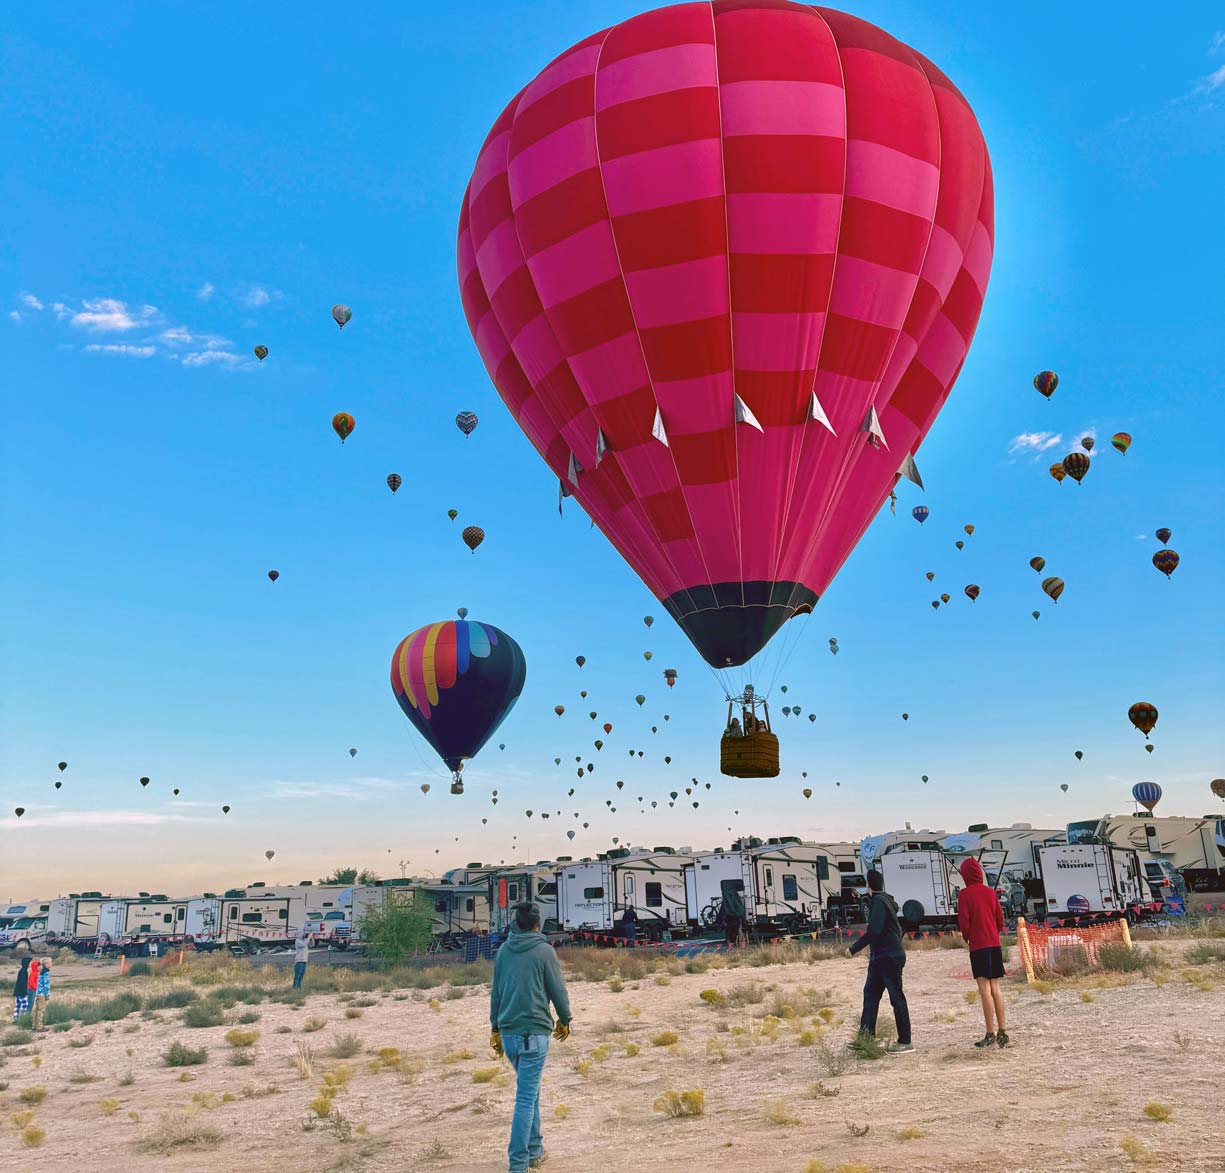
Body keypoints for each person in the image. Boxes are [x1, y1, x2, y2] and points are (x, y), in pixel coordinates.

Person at [489, 902, 571, 1173]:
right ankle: (519, 1163)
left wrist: (495, 1029)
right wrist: (565, 1020)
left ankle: (535, 1151)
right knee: (525, 1098)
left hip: (510, 1033)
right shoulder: (544, 951)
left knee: (530, 1091)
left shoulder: (503, 952)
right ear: (538, 924)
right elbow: (557, 990)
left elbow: (496, 994)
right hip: (534, 1034)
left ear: (515, 923)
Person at [848, 869, 912, 1053]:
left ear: (869, 885)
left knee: (896, 998)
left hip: (888, 957)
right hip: (880, 957)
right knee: (870, 995)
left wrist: (853, 949)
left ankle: (905, 1041)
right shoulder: (881, 901)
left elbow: (874, 931)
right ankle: (865, 1040)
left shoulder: (879, 902)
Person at [958, 857, 1008, 1048]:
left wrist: (968, 937)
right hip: (994, 944)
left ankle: (990, 1033)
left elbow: (965, 922)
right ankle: (1003, 1032)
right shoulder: (990, 893)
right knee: (996, 989)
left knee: (984, 989)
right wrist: (993, 932)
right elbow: (1000, 919)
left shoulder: (964, 895)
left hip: (978, 945)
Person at [32, 957, 51, 1031]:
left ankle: (34, 1025)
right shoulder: (46, 973)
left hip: (38, 993)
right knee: (41, 1010)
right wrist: (47, 994)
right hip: (42, 994)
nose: (51, 964)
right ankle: (39, 1027)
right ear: (46, 964)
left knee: (36, 1010)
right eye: (50, 962)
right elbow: (46, 985)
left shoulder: (41, 972)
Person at [12, 957, 31, 1023]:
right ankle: (22, 1019)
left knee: (18, 1005)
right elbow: (22, 983)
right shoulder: (24, 972)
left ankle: (15, 1019)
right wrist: (24, 992)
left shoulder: (22, 970)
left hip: (18, 991)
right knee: (25, 1004)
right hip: (21, 991)